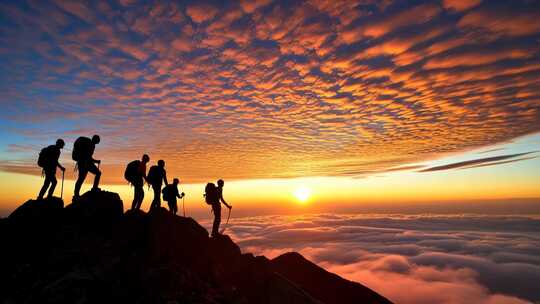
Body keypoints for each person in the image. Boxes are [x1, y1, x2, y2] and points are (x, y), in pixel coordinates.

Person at [73, 135, 101, 200]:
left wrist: (95, 161)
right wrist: (95, 161)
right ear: (96, 140)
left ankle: (76, 193)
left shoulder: (91, 144)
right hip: (85, 163)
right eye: (97, 141)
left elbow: (88, 156)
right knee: (82, 178)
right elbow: (88, 156)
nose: (97, 142)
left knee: (81, 178)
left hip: (83, 162)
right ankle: (94, 188)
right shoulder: (91, 145)